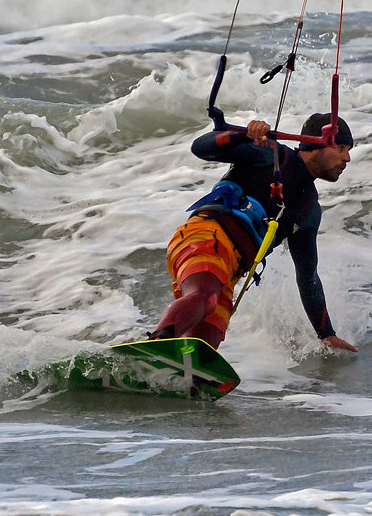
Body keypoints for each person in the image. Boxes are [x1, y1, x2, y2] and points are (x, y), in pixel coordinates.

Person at [148, 113, 358, 353]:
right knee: (205, 298)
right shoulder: (270, 153)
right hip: (207, 237)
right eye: (341, 147)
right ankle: (155, 347)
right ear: (315, 143)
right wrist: (241, 136)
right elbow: (201, 148)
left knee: (205, 342)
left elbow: (308, 277)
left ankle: (178, 379)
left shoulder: (309, 210)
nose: (347, 158)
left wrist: (326, 334)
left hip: (232, 271)